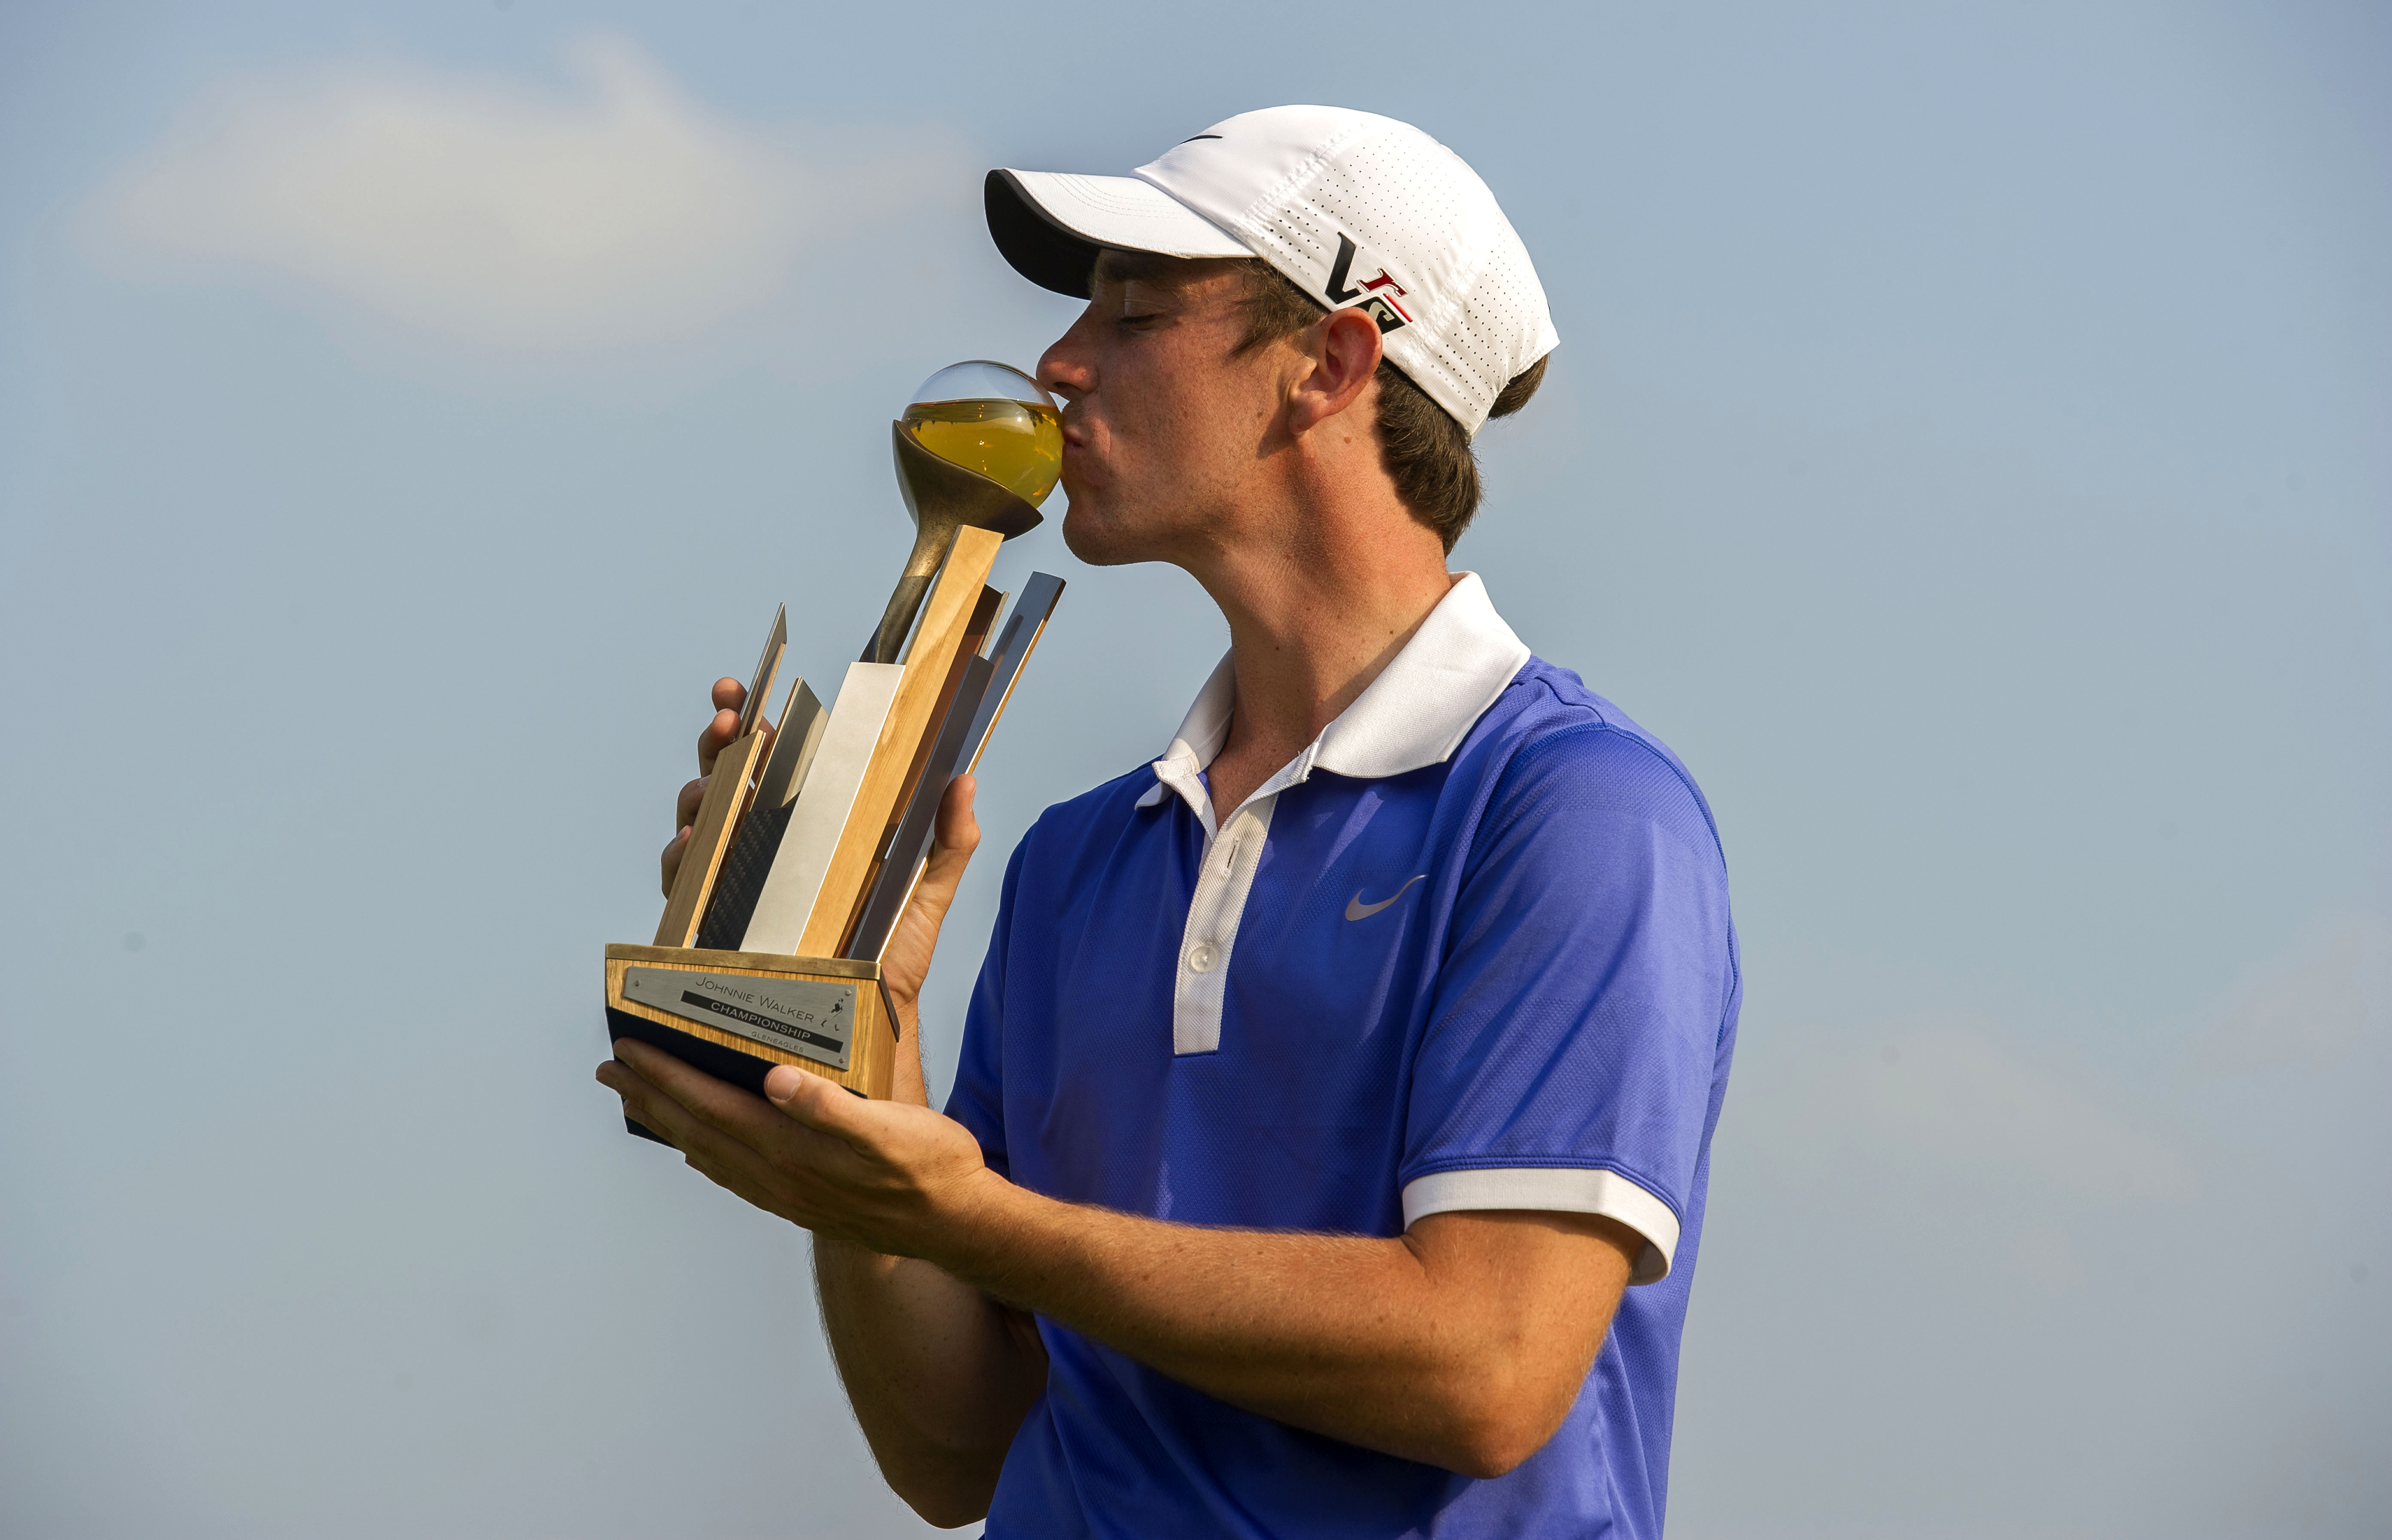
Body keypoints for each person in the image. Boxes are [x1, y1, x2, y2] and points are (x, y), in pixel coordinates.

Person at [600, 105, 1740, 1539]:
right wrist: (854, 1072)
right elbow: (955, 1456)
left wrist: (965, 1217)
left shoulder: (1574, 812)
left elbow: (1487, 1366)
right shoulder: (1079, 860)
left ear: (1329, 364)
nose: (1059, 365)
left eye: (1134, 313)